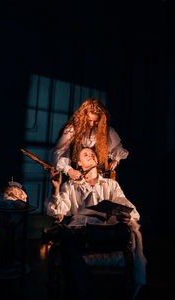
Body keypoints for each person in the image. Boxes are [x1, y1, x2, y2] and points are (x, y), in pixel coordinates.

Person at [45, 148, 147, 299]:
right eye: (85, 154)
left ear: (97, 160)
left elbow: (126, 205)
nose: (91, 155)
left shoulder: (111, 185)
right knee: (67, 234)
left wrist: (127, 215)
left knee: (125, 231)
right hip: (80, 230)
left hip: (106, 231)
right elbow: (59, 210)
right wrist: (56, 189)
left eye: (93, 154)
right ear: (79, 163)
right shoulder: (71, 186)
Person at [52, 98, 129, 180]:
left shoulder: (107, 131)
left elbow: (118, 148)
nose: (92, 124)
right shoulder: (72, 130)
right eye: (89, 120)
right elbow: (57, 153)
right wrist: (68, 170)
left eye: (96, 121)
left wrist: (116, 160)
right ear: (83, 117)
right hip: (76, 177)